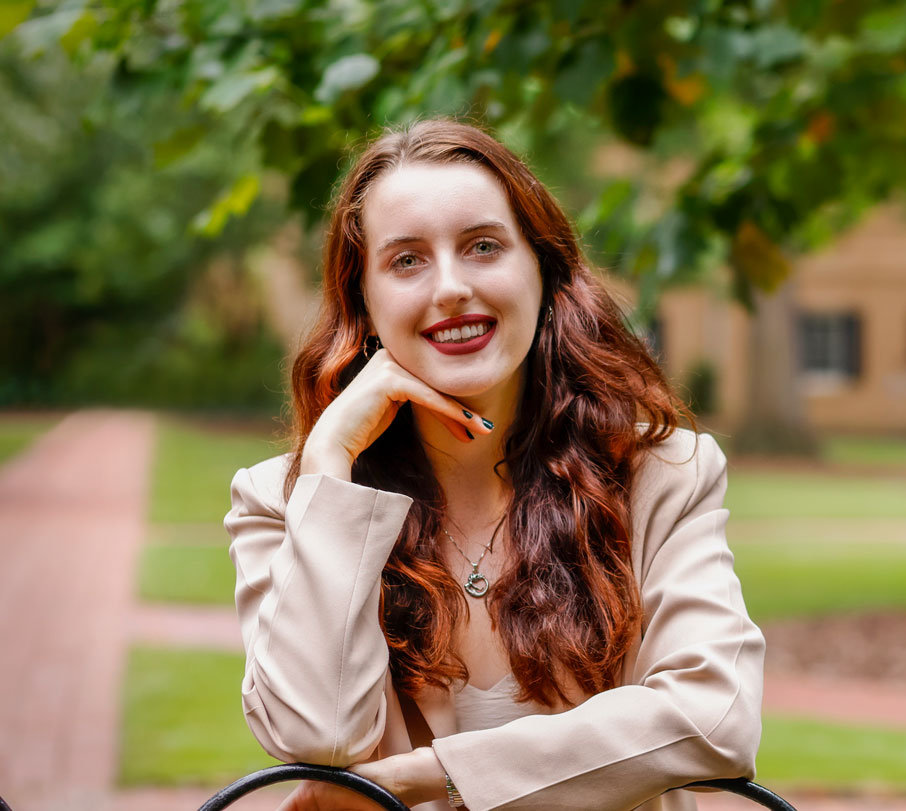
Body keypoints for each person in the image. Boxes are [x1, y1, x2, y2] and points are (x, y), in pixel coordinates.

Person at [223, 118, 764, 811]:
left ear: (542, 269)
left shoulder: (660, 474)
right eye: (407, 260)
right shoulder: (284, 498)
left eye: (483, 246)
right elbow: (319, 735)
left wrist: (435, 774)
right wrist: (331, 461)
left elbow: (714, 715)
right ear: (365, 299)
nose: (450, 287)